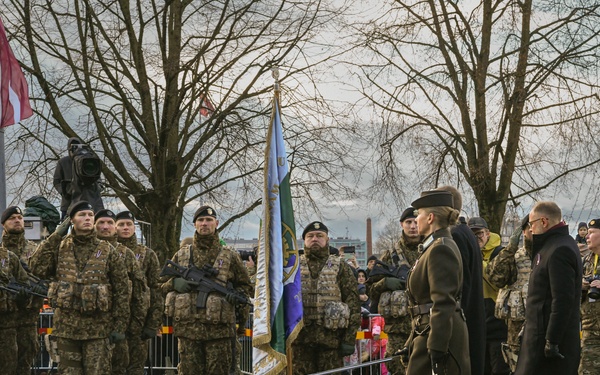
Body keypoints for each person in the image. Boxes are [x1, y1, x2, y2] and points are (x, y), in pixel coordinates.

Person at [29, 201, 130, 374]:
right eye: (82, 215)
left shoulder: (107, 250)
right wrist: (55, 236)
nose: (88, 218)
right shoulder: (60, 247)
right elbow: (36, 268)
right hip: (67, 330)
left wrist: (119, 326)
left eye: (90, 215)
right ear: (71, 220)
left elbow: (122, 290)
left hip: (98, 331)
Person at [160, 205, 252, 375]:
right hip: (188, 333)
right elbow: (161, 286)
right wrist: (174, 283)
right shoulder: (182, 255)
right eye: (200, 220)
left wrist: (237, 298)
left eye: (209, 220)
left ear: (216, 223)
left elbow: (246, 286)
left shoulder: (230, 255)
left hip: (220, 334)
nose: (204, 224)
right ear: (194, 224)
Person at [403, 190, 470, 375]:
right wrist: (411, 342)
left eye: (419, 214)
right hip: (427, 332)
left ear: (430, 217)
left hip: (437, 336)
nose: (416, 220)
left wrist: (436, 347)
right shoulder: (435, 246)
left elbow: (443, 302)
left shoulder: (440, 248)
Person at [514, 201, 582, 375]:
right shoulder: (553, 246)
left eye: (532, 224)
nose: (530, 229)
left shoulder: (560, 250)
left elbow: (562, 300)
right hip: (537, 336)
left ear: (543, 222)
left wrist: (552, 339)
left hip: (546, 344)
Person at [291, 221, 361, 374]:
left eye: (319, 235)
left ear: (327, 240)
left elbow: (353, 304)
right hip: (300, 342)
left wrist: (349, 339)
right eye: (311, 236)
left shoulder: (340, 265)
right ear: (304, 241)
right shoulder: (293, 266)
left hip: (331, 342)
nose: (315, 239)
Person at [437, 185, 485, 375]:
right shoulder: (465, 232)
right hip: (473, 320)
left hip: (464, 325)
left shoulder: (455, 235)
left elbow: (459, 287)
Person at [95, 209, 149, 375]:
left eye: (110, 223)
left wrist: (139, 324)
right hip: (91, 326)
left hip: (123, 325)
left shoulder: (128, 254)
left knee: (122, 367)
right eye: (101, 223)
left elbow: (141, 294)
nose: (106, 227)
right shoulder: (82, 250)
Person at [370, 206, 420, 375]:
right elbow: (371, 290)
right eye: (408, 222)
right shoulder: (390, 255)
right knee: (397, 366)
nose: (413, 226)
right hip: (398, 328)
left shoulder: (430, 250)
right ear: (401, 224)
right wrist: (385, 282)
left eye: (415, 222)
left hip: (425, 326)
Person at [115, 210, 163, 375]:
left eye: (129, 224)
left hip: (139, 322)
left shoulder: (147, 254)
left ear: (134, 228)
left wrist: (153, 323)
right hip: (114, 321)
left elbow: (156, 290)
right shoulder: (108, 250)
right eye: (121, 224)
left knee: (136, 368)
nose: (125, 228)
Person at [0, 206, 45, 374]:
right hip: (5, 321)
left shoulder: (35, 250)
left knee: (26, 363)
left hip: (28, 319)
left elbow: (44, 277)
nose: (17, 220)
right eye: (12, 218)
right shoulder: (1, 253)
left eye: (20, 217)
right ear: (3, 224)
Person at [485, 215, 532, 372]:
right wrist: (510, 248)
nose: (533, 230)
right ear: (523, 231)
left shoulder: (552, 254)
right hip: (516, 333)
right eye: (528, 227)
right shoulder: (515, 257)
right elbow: (494, 277)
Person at [468, 216, 509, 375]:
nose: (476, 238)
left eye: (479, 234)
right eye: (471, 235)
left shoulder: (500, 253)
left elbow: (497, 281)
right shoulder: (467, 254)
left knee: (499, 369)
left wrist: (476, 257)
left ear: (487, 234)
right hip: (477, 325)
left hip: (498, 325)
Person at [53, 137, 104, 219]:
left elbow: (97, 177)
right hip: (69, 201)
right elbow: (56, 181)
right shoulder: (63, 162)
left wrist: (98, 187)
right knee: (65, 228)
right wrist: (66, 191)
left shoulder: (90, 160)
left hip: (91, 198)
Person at [579, 218, 600, 374]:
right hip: (590, 330)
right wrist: (580, 285)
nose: (587, 236)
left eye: (592, 233)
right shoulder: (586, 260)